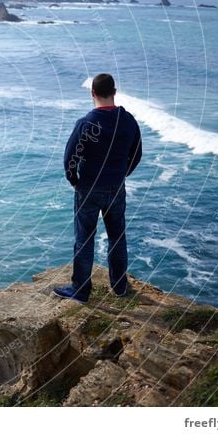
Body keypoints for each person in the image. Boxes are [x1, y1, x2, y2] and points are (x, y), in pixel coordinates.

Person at [54, 73, 142, 303]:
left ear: (92, 93)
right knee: (117, 237)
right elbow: (137, 154)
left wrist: (75, 180)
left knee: (84, 239)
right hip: (116, 187)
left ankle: (81, 290)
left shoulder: (85, 124)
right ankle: (120, 287)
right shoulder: (128, 121)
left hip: (89, 189)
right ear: (114, 91)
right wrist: (122, 174)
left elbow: (69, 159)